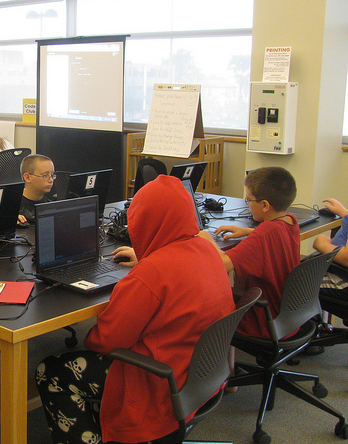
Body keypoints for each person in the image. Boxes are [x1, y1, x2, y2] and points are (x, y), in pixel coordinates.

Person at [35, 175, 235, 444]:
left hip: (157, 384)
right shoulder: (207, 250)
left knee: (50, 371)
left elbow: (104, 342)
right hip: (200, 373)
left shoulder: (151, 274)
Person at [199, 166, 299, 339]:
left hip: (262, 322)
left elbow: (222, 264)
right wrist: (248, 232)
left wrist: (207, 238)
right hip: (288, 318)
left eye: (249, 200)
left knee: (202, 303)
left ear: (265, 205)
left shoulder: (264, 235)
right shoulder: (290, 220)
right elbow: (274, 234)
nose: (248, 204)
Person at [313, 198, 348, 300]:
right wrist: (344, 213)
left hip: (343, 279)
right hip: (337, 270)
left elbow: (346, 258)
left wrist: (322, 244)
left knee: (292, 284)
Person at [17, 154, 54, 224]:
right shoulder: (12, 207)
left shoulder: (51, 206)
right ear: (27, 177)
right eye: (45, 175)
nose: (51, 180)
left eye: (52, 175)